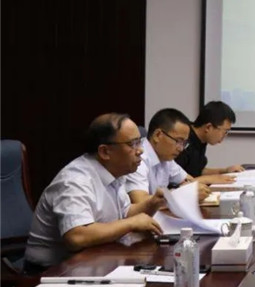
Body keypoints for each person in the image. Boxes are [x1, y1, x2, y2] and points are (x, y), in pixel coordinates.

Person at [24, 113, 164, 271]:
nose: (140, 151)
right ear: (105, 152)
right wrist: (131, 223)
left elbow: (125, 213)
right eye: (132, 144)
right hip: (49, 271)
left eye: (139, 142)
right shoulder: (75, 180)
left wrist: (153, 203)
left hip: (92, 261)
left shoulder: (115, 172)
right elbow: (77, 237)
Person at [125, 108, 231, 205]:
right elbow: (141, 201)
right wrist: (181, 194)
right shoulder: (139, 158)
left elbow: (188, 180)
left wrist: (194, 187)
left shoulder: (165, 158)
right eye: (178, 141)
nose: (181, 148)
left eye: (184, 143)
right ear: (158, 135)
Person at [175, 101, 243, 177]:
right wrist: (210, 179)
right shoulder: (184, 141)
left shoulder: (201, 140)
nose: (225, 136)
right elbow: (175, 178)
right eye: (225, 132)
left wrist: (225, 170)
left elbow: (198, 170)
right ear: (208, 127)